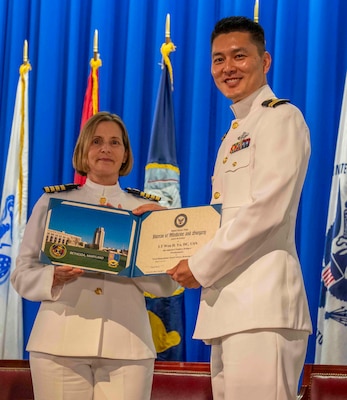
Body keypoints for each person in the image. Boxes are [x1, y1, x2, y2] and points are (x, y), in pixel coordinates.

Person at [167, 16, 312, 400]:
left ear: (264, 61)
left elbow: (267, 210)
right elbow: (221, 220)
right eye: (218, 59)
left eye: (239, 56)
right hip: (229, 307)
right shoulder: (235, 132)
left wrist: (199, 266)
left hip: (263, 307)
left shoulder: (281, 117)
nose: (227, 68)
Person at [11, 111, 177, 400]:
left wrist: (139, 265)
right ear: (84, 150)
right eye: (97, 141)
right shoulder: (54, 202)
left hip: (128, 346)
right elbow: (22, 273)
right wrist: (53, 276)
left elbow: (169, 285)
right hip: (58, 345)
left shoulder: (145, 210)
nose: (106, 149)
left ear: (125, 154)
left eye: (115, 143)